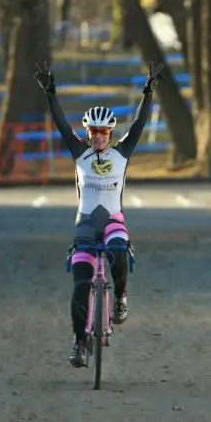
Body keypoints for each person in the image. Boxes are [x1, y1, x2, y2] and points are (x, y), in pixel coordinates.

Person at [35, 61, 163, 368]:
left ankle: (120, 297)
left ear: (110, 132)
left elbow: (140, 124)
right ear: (88, 132)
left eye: (103, 132)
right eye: (93, 132)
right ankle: (80, 341)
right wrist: (51, 93)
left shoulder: (122, 153)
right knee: (81, 285)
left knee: (118, 250)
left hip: (113, 220)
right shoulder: (80, 153)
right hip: (86, 224)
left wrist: (148, 91)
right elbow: (61, 125)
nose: (98, 137)